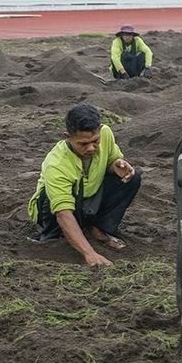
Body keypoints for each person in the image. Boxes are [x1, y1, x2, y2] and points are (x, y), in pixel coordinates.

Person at [28, 103, 141, 267]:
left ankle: (98, 228)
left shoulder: (106, 134)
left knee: (132, 178)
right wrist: (90, 254)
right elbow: (63, 212)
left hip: (87, 197)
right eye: (83, 143)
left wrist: (115, 164)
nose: (91, 148)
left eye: (95, 141)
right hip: (54, 209)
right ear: (67, 136)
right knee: (49, 197)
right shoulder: (57, 163)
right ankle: (54, 238)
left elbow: (111, 159)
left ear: (100, 129)